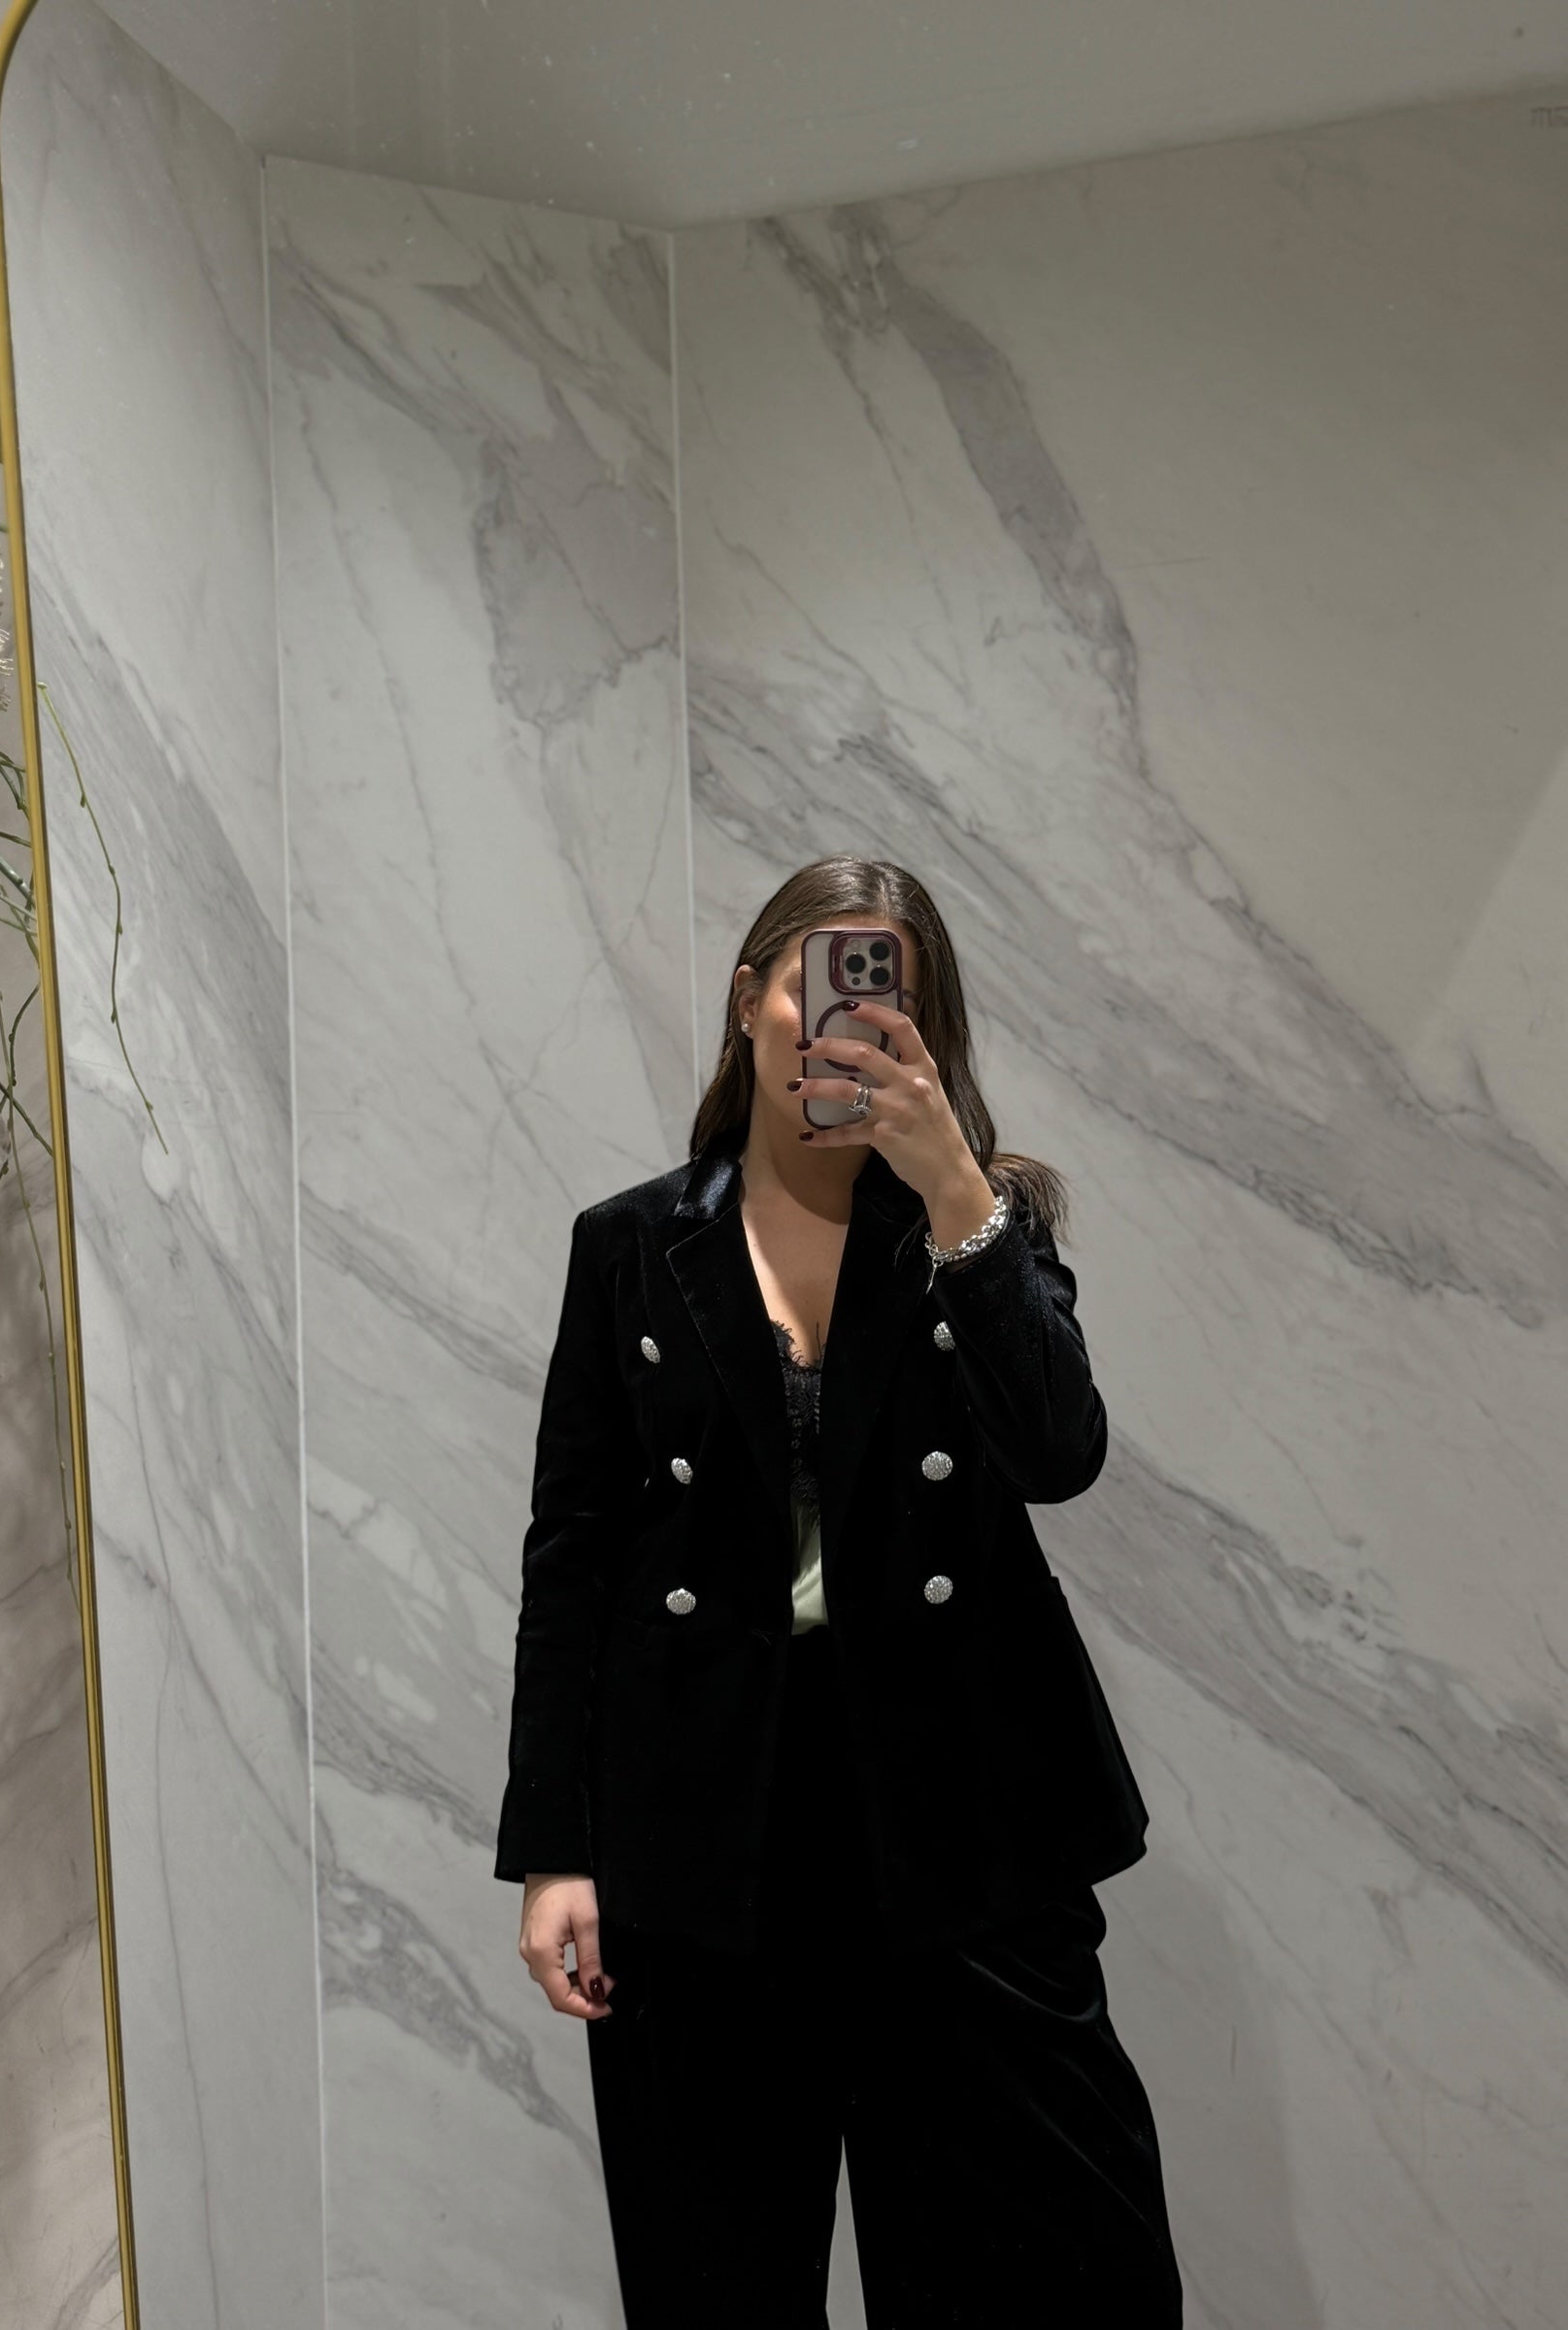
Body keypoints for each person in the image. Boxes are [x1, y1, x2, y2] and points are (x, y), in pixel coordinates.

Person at [495, 856, 1184, 2326]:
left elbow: (1059, 1455)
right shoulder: (631, 1249)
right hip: (703, 1841)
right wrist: (556, 1850)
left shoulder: (978, 1230)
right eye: (819, 988)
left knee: (1055, 2280)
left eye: (888, 1007)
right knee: (718, 2285)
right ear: (750, 997)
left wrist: (955, 1190)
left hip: (962, 1832)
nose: (844, 1026)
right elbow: (574, 1555)